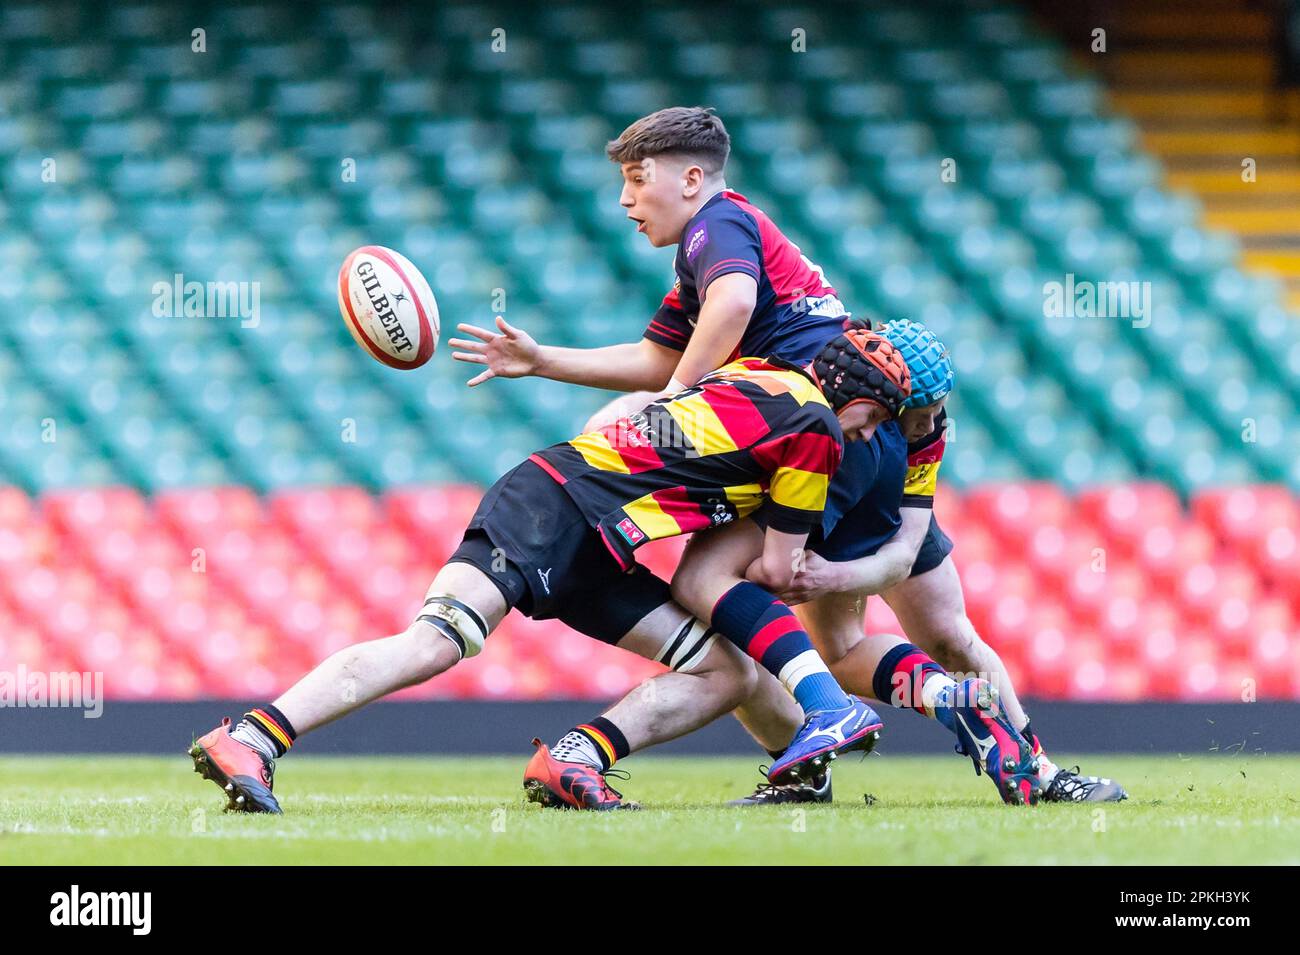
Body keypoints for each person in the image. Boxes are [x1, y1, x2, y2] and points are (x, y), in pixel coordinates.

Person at [188, 329, 908, 813]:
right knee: (435, 641)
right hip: (559, 506)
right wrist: (836, 573)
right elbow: (780, 568)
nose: (870, 437)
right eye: (874, 418)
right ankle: (252, 737)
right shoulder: (815, 429)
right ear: (850, 393)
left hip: (587, 520)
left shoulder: (761, 375)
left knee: (727, 672)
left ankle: (574, 759)